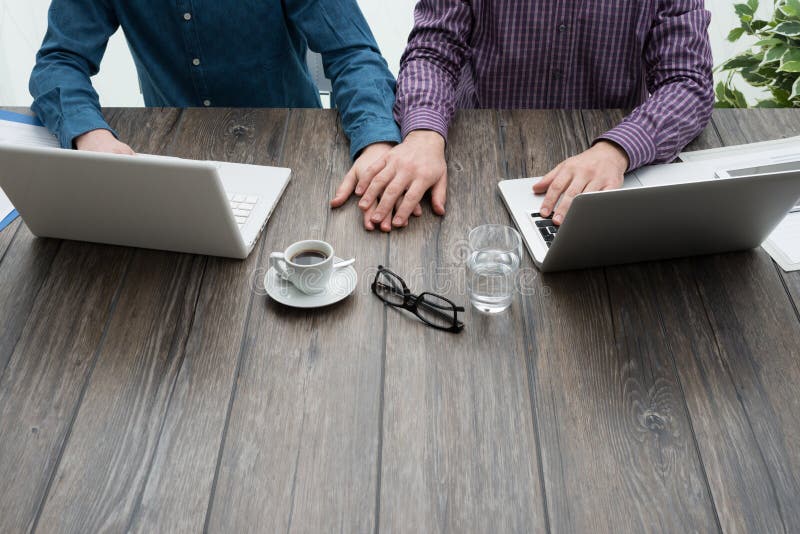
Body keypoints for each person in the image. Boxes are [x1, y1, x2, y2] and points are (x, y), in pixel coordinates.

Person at [331, 0, 715, 232]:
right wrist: (423, 135)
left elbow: (689, 81)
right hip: (474, 162)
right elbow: (433, 50)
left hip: (609, 175)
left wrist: (617, 150)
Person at [30, 0, 401, 181]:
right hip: (173, 166)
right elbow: (59, 60)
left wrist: (375, 142)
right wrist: (90, 136)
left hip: (295, 155)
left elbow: (352, 51)